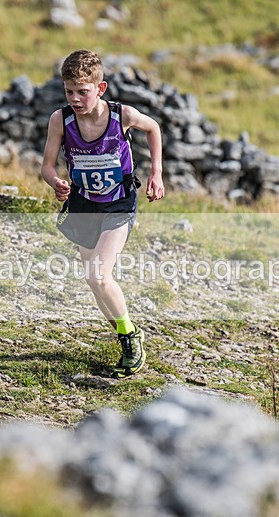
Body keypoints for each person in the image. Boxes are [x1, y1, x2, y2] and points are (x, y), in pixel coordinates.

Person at [40, 49, 165, 378]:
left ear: (100, 88)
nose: (75, 99)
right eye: (69, 91)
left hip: (118, 204)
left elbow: (153, 128)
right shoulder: (60, 120)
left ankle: (130, 337)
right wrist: (55, 182)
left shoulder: (122, 116)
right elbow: (47, 166)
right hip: (84, 205)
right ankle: (124, 332)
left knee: (98, 275)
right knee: (94, 280)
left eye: (82, 92)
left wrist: (156, 174)